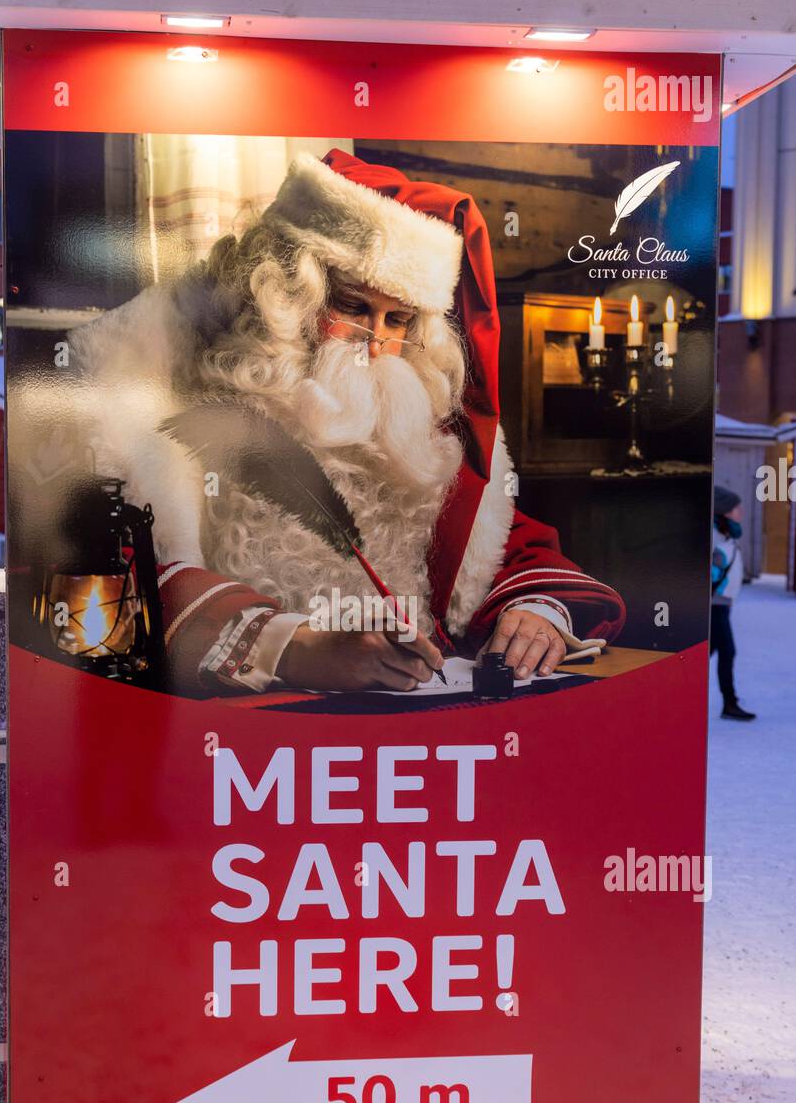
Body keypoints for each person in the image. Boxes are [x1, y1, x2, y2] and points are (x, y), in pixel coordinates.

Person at [32, 148, 626, 695]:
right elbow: (108, 589)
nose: (376, 342)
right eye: (353, 307)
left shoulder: (421, 431)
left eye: (399, 320)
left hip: (428, 717)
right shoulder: (193, 407)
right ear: (288, 298)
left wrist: (536, 614)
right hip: (247, 733)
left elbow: (509, 548)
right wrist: (293, 648)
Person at [711, 485, 755, 721]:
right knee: (727, 651)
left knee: (708, 652)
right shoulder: (715, 535)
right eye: (737, 507)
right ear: (725, 511)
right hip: (714, 604)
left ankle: (671, 694)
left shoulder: (727, 534)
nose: (741, 511)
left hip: (722, 603)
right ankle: (730, 703)